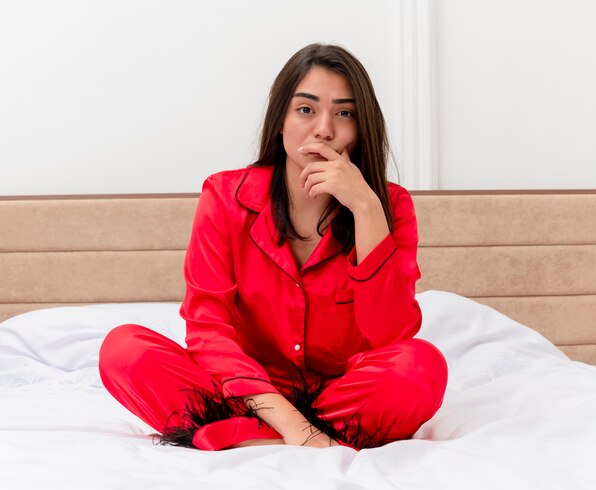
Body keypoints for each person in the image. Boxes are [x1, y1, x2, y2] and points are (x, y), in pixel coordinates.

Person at [99, 43, 447, 450]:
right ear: (280, 120)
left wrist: (366, 208)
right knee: (124, 350)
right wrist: (294, 425)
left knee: (421, 367)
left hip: (340, 396)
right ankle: (291, 435)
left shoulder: (390, 206)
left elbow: (391, 336)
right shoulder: (225, 196)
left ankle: (242, 437)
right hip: (242, 392)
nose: (324, 130)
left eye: (344, 113)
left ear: (361, 127)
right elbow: (209, 327)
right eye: (306, 109)